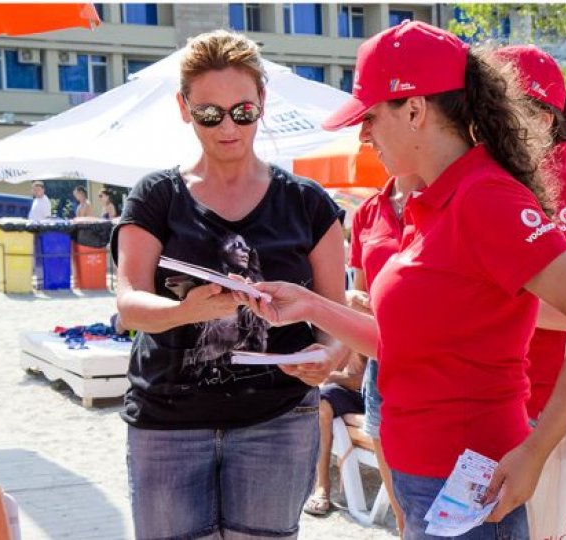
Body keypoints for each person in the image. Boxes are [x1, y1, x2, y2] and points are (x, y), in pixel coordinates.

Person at [238, 21, 566, 539]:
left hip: (468, 487)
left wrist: (536, 452)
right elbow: (402, 346)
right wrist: (311, 306)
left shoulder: (482, 197)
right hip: (425, 481)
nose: (364, 134)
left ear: (415, 110)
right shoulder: (434, 201)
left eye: (370, 117)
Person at [111, 29, 346, 540]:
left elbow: (336, 315)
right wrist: (187, 311)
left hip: (278, 420)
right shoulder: (156, 196)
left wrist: (328, 354)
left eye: (242, 111)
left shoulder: (307, 203)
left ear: (262, 101)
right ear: (184, 109)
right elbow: (128, 304)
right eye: (209, 114)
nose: (228, 127)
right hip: (169, 422)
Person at [490, 45, 566, 422]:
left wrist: (476, 305)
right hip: (536, 394)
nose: (481, 124)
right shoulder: (539, 178)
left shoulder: (561, 181)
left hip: (547, 400)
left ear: (542, 121)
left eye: (495, 110)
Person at [344, 173, 425, 533]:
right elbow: (358, 290)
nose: (371, 145)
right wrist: (354, 300)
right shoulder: (367, 211)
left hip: (435, 363)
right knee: (402, 507)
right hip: (381, 362)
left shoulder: (448, 196)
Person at [302, 345, 366, 516]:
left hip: (379, 395)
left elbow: (366, 379)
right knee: (321, 400)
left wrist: (331, 377)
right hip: (353, 393)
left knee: (322, 390)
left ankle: (321, 487)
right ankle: (322, 486)